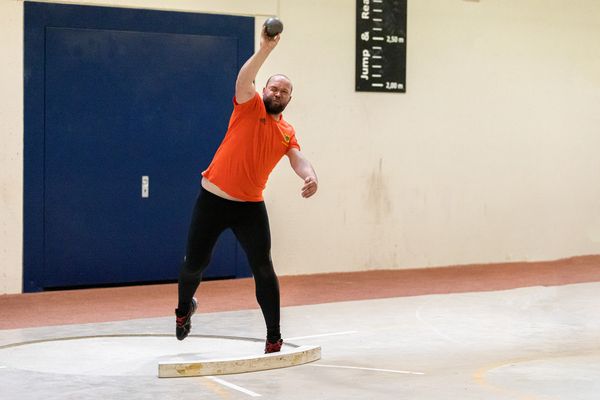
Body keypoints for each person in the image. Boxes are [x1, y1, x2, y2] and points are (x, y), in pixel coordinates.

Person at [175, 26, 318, 354]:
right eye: (274, 87)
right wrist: (266, 49)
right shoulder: (248, 105)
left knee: (263, 267)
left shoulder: (286, 131)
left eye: (284, 91)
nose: (278, 93)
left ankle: (274, 337)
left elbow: (299, 159)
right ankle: (184, 310)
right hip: (213, 198)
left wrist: (309, 177)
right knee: (194, 265)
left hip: (249, 206)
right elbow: (244, 80)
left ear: (289, 99)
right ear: (264, 89)